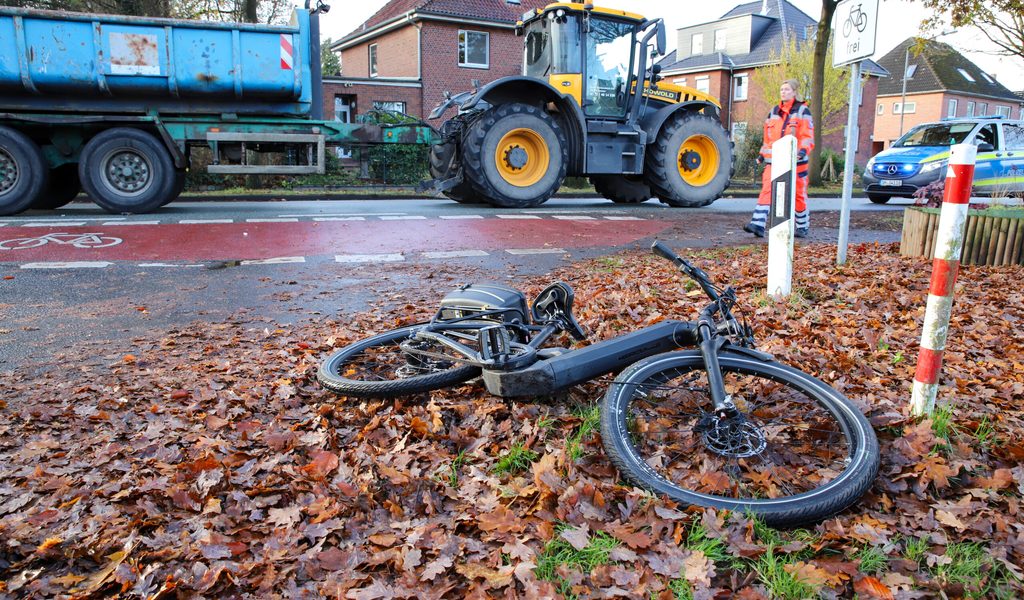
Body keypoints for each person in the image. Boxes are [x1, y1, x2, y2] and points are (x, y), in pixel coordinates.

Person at [744, 79, 814, 238]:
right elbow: (767, 139)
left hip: (796, 162)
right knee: (767, 190)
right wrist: (762, 155)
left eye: (787, 89)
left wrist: (802, 151)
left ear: (794, 92)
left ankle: (802, 226)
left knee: (798, 195)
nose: (783, 92)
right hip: (774, 161)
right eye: (782, 89)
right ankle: (758, 224)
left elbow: (807, 137)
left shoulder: (803, 111)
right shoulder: (773, 112)